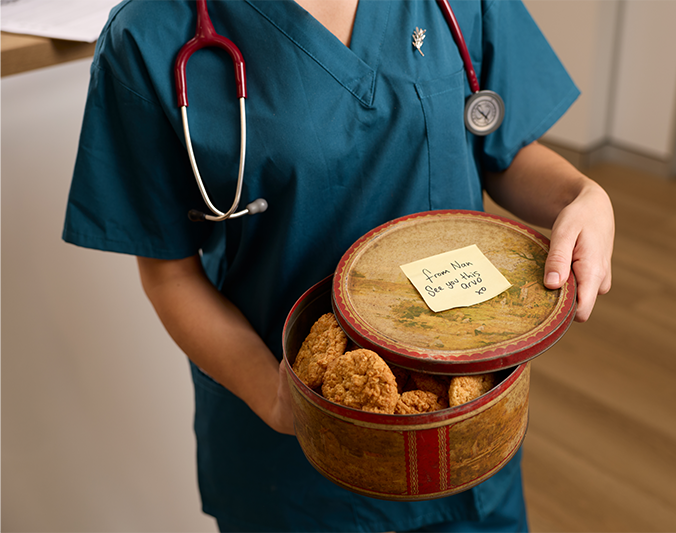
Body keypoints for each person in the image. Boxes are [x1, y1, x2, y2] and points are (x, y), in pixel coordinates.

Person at [63, 0, 614, 531]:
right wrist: (272, 395)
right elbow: (169, 273)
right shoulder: (150, 33)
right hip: (291, 456)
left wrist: (581, 194)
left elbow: (499, 151)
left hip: (465, 428)